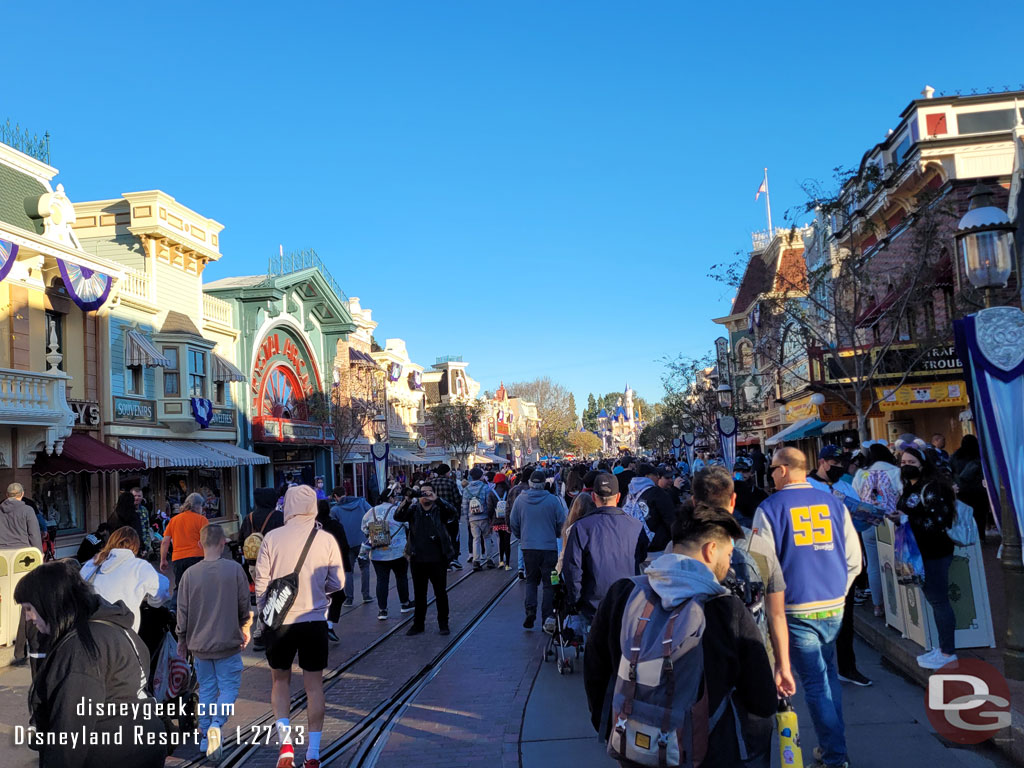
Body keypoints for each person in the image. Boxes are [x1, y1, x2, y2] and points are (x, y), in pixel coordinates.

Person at [584, 505, 777, 768]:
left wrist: (612, 729)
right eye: (729, 554)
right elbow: (762, 699)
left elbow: (595, 672)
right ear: (711, 550)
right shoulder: (726, 609)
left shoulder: (623, 593)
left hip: (635, 746)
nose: (729, 563)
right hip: (707, 752)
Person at [750, 447, 862, 768]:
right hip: (832, 605)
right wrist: (837, 592)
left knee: (815, 682)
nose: (770, 475)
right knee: (828, 678)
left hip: (796, 609)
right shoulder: (833, 503)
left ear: (784, 470)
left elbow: (760, 569)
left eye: (772, 469)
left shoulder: (770, 509)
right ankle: (833, 746)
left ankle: (835, 755)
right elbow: (853, 559)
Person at [14, 559, 168, 768]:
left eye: (29, 608)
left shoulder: (81, 649)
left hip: (112, 754)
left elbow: (69, 734)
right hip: (141, 745)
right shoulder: (115, 626)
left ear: (49, 603)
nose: (28, 618)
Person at [254, 484, 345, 768]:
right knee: (314, 687)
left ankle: (285, 747)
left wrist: (264, 612)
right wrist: (321, 591)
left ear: (288, 506)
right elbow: (338, 583)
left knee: (280, 682)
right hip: (314, 620)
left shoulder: (272, 537)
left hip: (280, 623)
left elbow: (261, 584)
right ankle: (314, 753)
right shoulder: (325, 539)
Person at [177, 523, 252, 761]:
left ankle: (204, 735)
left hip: (199, 644)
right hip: (227, 642)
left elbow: (183, 612)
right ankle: (216, 725)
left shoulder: (190, 575)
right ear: (223, 543)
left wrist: (182, 639)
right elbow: (244, 605)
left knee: (207, 689)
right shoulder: (234, 570)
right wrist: (245, 627)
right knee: (229, 687)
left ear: (199, 544)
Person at [807, 445, 871, 688]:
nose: (840, 468)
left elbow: (861, 522)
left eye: (842, 464)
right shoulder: (807, 487)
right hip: (819, 561)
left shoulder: (845, 486)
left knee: (846, 618)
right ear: (823, 462)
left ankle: (848, 667)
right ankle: (818, 668)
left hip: (846, 559)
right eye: (835, 463)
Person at [898, 446, 958, 670]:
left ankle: (947, 652)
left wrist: (906, 520)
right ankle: (942, 647)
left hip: (935, 552)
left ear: (922, 464)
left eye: (911, 462)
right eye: (903, 462)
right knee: (933, 599)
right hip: (917, 552)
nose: (906, 466)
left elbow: (938, 522)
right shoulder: (909, 487)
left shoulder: (932, 488)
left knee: (939, 600)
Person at [561, 473, 646, 626]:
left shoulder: (581, 527)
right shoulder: (636, 526)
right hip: (627, 603)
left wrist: (576, 601)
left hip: (593, 607)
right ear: (619, 497)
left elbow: (572, 568)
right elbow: (642, 557)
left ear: (593, 497)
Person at [80, 526, 170, 633]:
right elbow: (162, 590)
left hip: (88, 629)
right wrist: (150, 600)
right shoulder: (139, 567)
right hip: (121, 634)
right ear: (135, 546)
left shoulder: (92, 563)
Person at [394, 481, 455, 635]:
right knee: (420, 594)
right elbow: (398, 517)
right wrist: (407, 500)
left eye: (428, 492)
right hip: (417, 558)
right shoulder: (414, 510)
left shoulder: (439, 509)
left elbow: (453, 513)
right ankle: (418, 624)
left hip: (438, 558)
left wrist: (437, 500)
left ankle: (443, 623)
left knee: (440, 593)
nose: (425, 495)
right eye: (422, 492)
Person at [509, 470, 567, 629]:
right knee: (549, 584)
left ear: (530, 483)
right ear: (544, 484)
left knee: (531, 581)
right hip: (548, 547)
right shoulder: (553, 501)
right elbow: (562, 523)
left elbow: (513, 522)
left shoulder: (520, 500)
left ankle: (530, 611)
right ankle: (547, 616)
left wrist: (522, 535)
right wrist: (555, 533)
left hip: (528, 547)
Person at [852, 442, 902, 618]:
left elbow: (855, 495)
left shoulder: (861, 473)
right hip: (891, 521)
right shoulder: (896, 472)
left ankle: (877, 605)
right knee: (895, 561)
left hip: (868, 522)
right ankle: (897, 604)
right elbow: (901, 492)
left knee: (873, 565)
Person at [2, 482, 44, 667]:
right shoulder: (27, 510)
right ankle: (21, 647)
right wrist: (39, 555)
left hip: (2, 559)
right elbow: (34, 535)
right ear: (22, 494)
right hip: (23, 560)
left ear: (7, 494)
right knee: (25, 602)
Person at [362, 486, 413, 620]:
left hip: (377, 553)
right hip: (398, 551)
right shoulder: (397, 510)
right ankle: (405, 603)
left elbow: (364, 528)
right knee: (401, 577)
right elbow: (408, 525)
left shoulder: (371, 511)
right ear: (391, 498)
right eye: (394, 496)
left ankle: (382, 610)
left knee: (382, 580)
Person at [160, 492, 209, 605]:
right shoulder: (202, 520)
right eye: (201, 506)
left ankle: (175, 610)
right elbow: (207, 540)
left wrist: (163, 559)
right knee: (198, 586)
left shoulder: (174, 520)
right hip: (198, 557)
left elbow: (165, 541)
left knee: (181, 587)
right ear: (197, 506)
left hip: (178, 558)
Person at [330, 487, 373, 605]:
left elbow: (333, 526)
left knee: (348, 571)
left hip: (346, 545)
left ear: (335, 496)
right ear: (346, 493)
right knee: (365, 567)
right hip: (363, 542)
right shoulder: (361, 502)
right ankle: (366, 595)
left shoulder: (335, 510)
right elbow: (372, 514)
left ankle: (349, 598)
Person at [316, 500, 351, 642]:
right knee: (338, 596)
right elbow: (344, 546)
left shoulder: (310, 527)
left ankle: (322, 625)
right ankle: (328, 624)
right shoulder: (335, 526)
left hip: (314, 569)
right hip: (332, 568)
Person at [624, 463, 676, 554]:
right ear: (647, 476)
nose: (658, 477)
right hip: (658, 547)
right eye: (656, 475)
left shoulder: (629, 495)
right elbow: (671, 519)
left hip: (634, 547)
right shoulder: (658, 493)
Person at [951, 434, 993, 536]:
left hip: (962, 491)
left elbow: (951, 471)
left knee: (965, 515)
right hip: (978, 491)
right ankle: (981, 536)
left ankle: (968, 536)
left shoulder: (955, 456)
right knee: (980, 515)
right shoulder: (979, 456)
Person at [429, 464, 463, 569]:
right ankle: (454, 559)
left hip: (436, 515)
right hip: (450, 515)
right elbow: (457, 499)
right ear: (447, 472)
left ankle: (444, 559)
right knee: (454, 537)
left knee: (440, 537)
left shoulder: (431, 483)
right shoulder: (451, 483)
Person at [463, 467, 494, 569]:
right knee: (487, 538)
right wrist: (490, 517)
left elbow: (465, 506)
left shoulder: (466, 489)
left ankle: (476, 561)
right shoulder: (485, 488)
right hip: (484, 516)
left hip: (473, 518)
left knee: (476, 539)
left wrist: (467, 519)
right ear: (481, 476)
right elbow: (489, 503)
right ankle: (489, 559)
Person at [733, 456, 768, 529]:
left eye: (745, 471)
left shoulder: (760, 493)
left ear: (751, 473)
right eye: (738, 471)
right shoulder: (727, 493)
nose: (741, 474)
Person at [487, 472, 513, 569]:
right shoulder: (509, 491)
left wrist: (490, 519)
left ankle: (501, 560)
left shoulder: (491, 492)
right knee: (507, 541)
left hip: (497, 520)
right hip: (507, 520)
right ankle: (507, 564)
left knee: (501, 540)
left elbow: (489, 508)